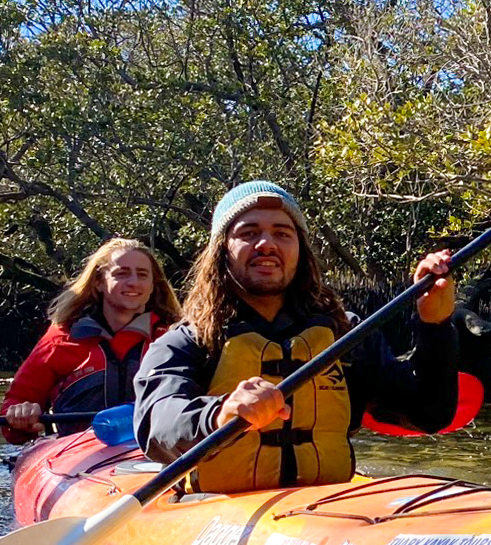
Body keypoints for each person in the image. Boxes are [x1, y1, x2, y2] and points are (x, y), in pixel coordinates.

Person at [133, 181, 457, 493]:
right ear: (222, 251)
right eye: (248, 233)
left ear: (299, 250)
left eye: (282, 233)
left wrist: (435, 324)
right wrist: (219, 414)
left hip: (325, 515)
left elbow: (429, 414)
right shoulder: (188, 341)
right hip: (216, 518)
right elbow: (156, 426)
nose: (267, 245)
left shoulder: (345, 335)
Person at [2, 239, 181, 443]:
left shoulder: (173, 340)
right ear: (99, 282)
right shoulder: (60, 339)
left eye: (142, 275)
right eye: (121, 274)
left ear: (152, 286)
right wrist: (21, 416)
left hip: (154, 451)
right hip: (76, 453)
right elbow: (14, 411)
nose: (133, 282)